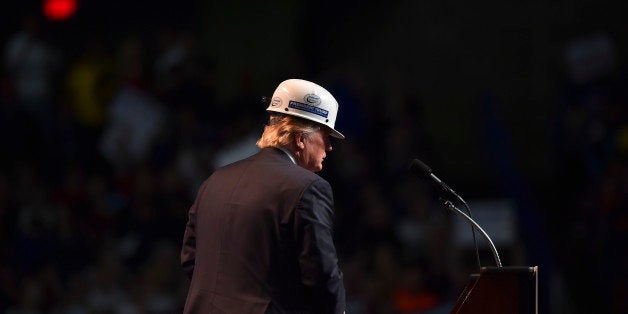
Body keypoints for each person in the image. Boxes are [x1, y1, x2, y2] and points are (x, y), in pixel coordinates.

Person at [181, 79, 346, 313]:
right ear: (300, 138)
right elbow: (321, 275)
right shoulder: (308, 187)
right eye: (326, 136)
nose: (329, 147)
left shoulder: (214, 180)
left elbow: (190, 260)